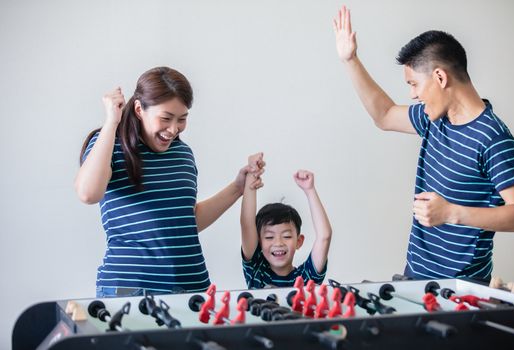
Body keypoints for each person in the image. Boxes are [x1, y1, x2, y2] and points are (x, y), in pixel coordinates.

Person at [333, 6, 514, 281]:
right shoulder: (434, 119)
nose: (412, 95)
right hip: (416, 277)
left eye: (414, 84)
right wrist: (350, 60)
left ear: (440, 77)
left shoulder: (494, 138)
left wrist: (452, 213)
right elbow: (384, 115)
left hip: (463, 289)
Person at [75, 66, 264, 297]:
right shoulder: (109, 145)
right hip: (131, 289)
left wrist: (238, 187)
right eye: (165, 118)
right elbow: (88, 194)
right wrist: (111, 122)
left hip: (192, 288)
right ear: (138, 109)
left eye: (182, 119)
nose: (173, 129)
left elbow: (186, 220)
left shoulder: (183, 154)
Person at [240, 153, 332, 288]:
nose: (278, 243)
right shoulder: (256, 270)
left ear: (299, 241)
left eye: (287, 236)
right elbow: (247, 225)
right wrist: (251, 174)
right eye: (269, 236)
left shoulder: (306, 278)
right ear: (259, 242)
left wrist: (310, 190)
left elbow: (325, 236)